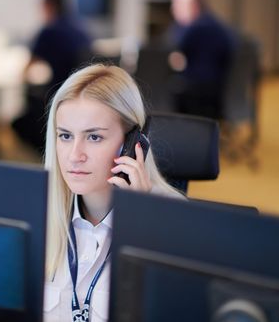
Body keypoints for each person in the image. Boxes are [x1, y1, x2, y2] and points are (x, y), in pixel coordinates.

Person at [43, 64, 183, 322]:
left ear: (134, 143)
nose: (75, 156)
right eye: (65, 136)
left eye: (94, 137)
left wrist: (141, 224)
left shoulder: (174, 223)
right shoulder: (40, 215)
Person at [12, 0, 92, 153]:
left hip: (54, 102)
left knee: (17, 123)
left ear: (48, 5)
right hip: (81, 100)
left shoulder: (49, 31)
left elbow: (27, 70)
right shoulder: (82, 31)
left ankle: (41, 161)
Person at [168, 0, 234, 120]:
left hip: (197, 97)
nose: (173, 8)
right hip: (216, 93)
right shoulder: (219, 26)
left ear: (194, 5)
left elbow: (174, 58)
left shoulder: (195, 30)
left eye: (178, 4)